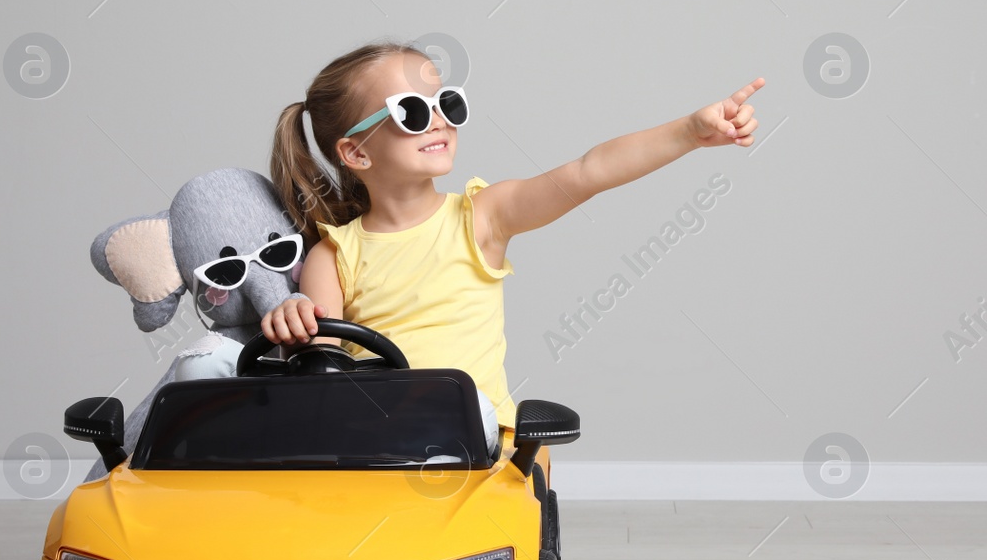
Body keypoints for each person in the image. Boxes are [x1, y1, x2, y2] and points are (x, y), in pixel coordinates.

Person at [263, 39, 762, 446]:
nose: (439, 120)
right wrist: (293, 327)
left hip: (475, 447)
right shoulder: (333, 255)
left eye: (447, 103)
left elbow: (590, 171)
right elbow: (321, 378)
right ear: (356, 152)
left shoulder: (482, 217)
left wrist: (688, 132)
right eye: (412, 111)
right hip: (377, 449)